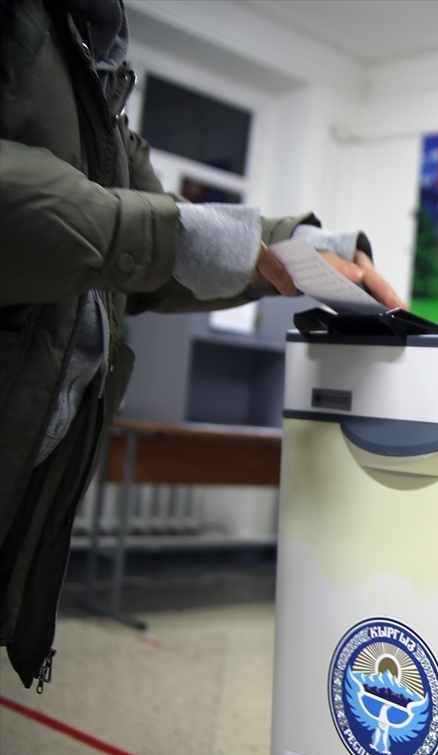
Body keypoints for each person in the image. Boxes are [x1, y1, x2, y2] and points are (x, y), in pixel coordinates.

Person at [0, 0, 401, 689]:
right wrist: (201, 240)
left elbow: (163, 249)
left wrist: (299, 246)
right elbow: (139, 231)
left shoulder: (96, 63)